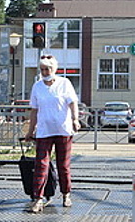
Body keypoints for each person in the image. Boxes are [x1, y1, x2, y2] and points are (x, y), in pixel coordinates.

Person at [23, 55, 81, 213]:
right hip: (44, 131)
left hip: (63, 130)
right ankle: (38, 198)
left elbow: (72, 103)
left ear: (54, 69)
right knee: (41, 164)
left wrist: (75, 119)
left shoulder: (64, 83)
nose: (44, 72)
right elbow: (34, 110)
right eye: (42, 69)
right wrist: (30, 131)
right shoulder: (37, 86)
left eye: (47, 69)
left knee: (63, 165)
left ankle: (66, 194)